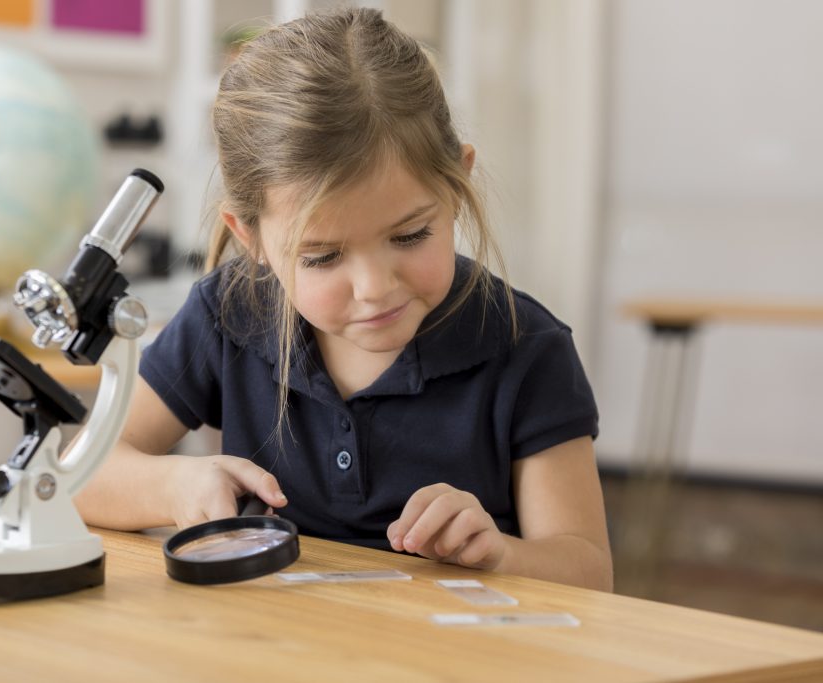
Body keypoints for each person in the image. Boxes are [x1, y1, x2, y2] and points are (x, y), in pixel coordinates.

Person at [76, 8, 612, 591]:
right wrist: (173, 484)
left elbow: (588, 571)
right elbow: (79, 477)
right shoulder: (228, 314)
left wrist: (500, 555)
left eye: (409, 236)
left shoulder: (526, 348)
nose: (375, 287)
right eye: (323, 257)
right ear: (250, 238)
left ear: (457, 184)